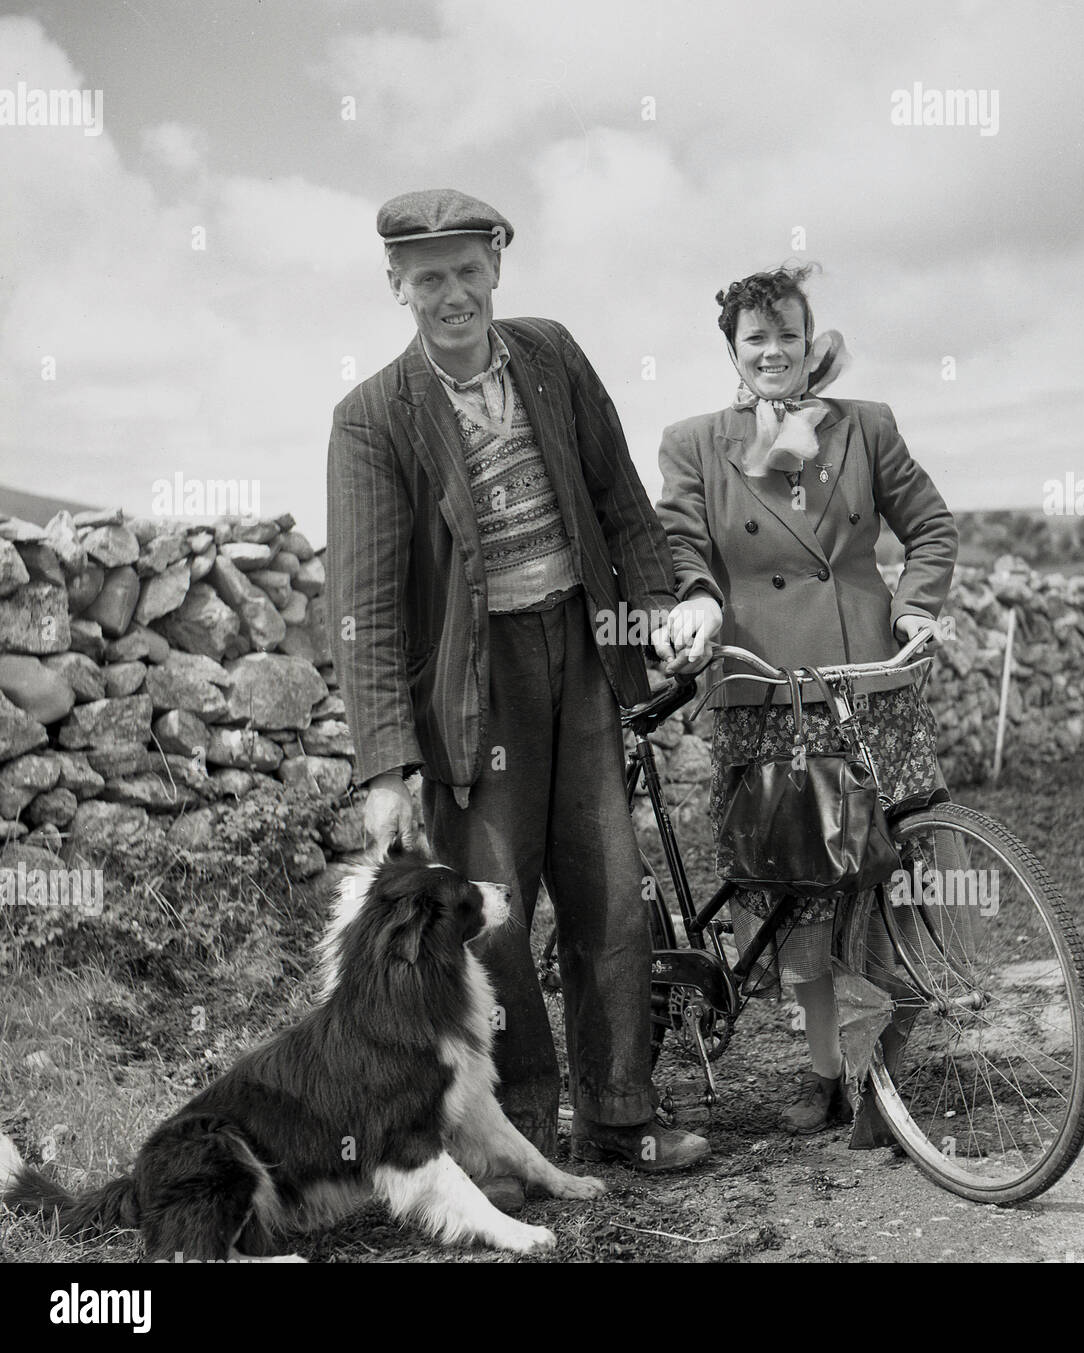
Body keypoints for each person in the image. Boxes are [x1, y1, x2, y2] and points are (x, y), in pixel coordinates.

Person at [326, 189, 709, 1204]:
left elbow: (622, 503)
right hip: (470, 684)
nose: (451, 294)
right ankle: (524, 1133)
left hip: (581, 654)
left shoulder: (551, 355)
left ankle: (622, 1114)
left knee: (610, 895)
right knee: (490, 917)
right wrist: (381, 765)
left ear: (497, 265)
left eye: (467, 269)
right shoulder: (372, 416)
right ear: (397, 287)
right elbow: (362, 604)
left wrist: (660, 605)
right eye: (428, 277)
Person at [653, 263, 959, 1135]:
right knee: (799, 896)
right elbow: (681, 548)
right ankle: (826, 1071)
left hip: (868, 685)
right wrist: (699, 600)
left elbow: (930, 525)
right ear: (734, 351)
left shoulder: (867, 427)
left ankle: (884, 1078)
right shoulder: (693, 443)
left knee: (889, 877)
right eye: (757, 339)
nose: (775, 351)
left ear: (808, 337)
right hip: (763, 690)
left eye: (788, 334)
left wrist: (916, 608)